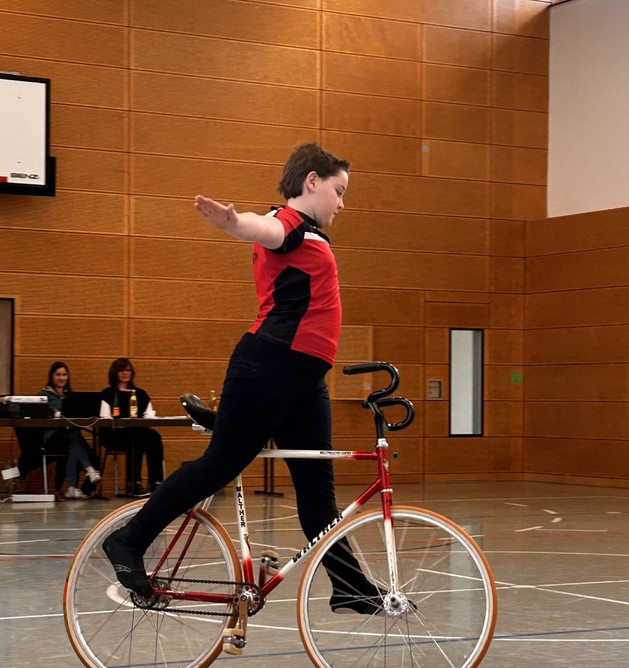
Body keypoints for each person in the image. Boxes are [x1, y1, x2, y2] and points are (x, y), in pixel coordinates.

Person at [103, 142, 381, 614]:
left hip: (305, 379)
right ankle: (128, 540)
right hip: (270, 367)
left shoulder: (308, 233)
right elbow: (264, 228)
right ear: (312, 182)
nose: (341, 203)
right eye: (338, 191)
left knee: (318, 492)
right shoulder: (288, 223)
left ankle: (349, 585)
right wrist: (233, 223)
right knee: (219, 464)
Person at [99, 358, 164, 498]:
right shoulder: (108, 393)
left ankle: (156, 481)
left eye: (128, 370)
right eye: (121, 370)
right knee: (135, 438)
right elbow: (104, 417)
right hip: (116, 434)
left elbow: (148, 415)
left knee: (154, 436)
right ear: (114, 373)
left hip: (137, 432)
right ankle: (134, 483)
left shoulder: (140, 394)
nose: (125, 373)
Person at [36, 361, 101, 499]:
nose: (61, 378)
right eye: (58, 375)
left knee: (78, 447)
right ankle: (89, 470)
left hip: (70, 436)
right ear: (52, 376)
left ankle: (75, 489)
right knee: (72, 439)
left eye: (64, 375)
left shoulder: (71, 396)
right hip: (52, 438)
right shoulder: (44, 395)